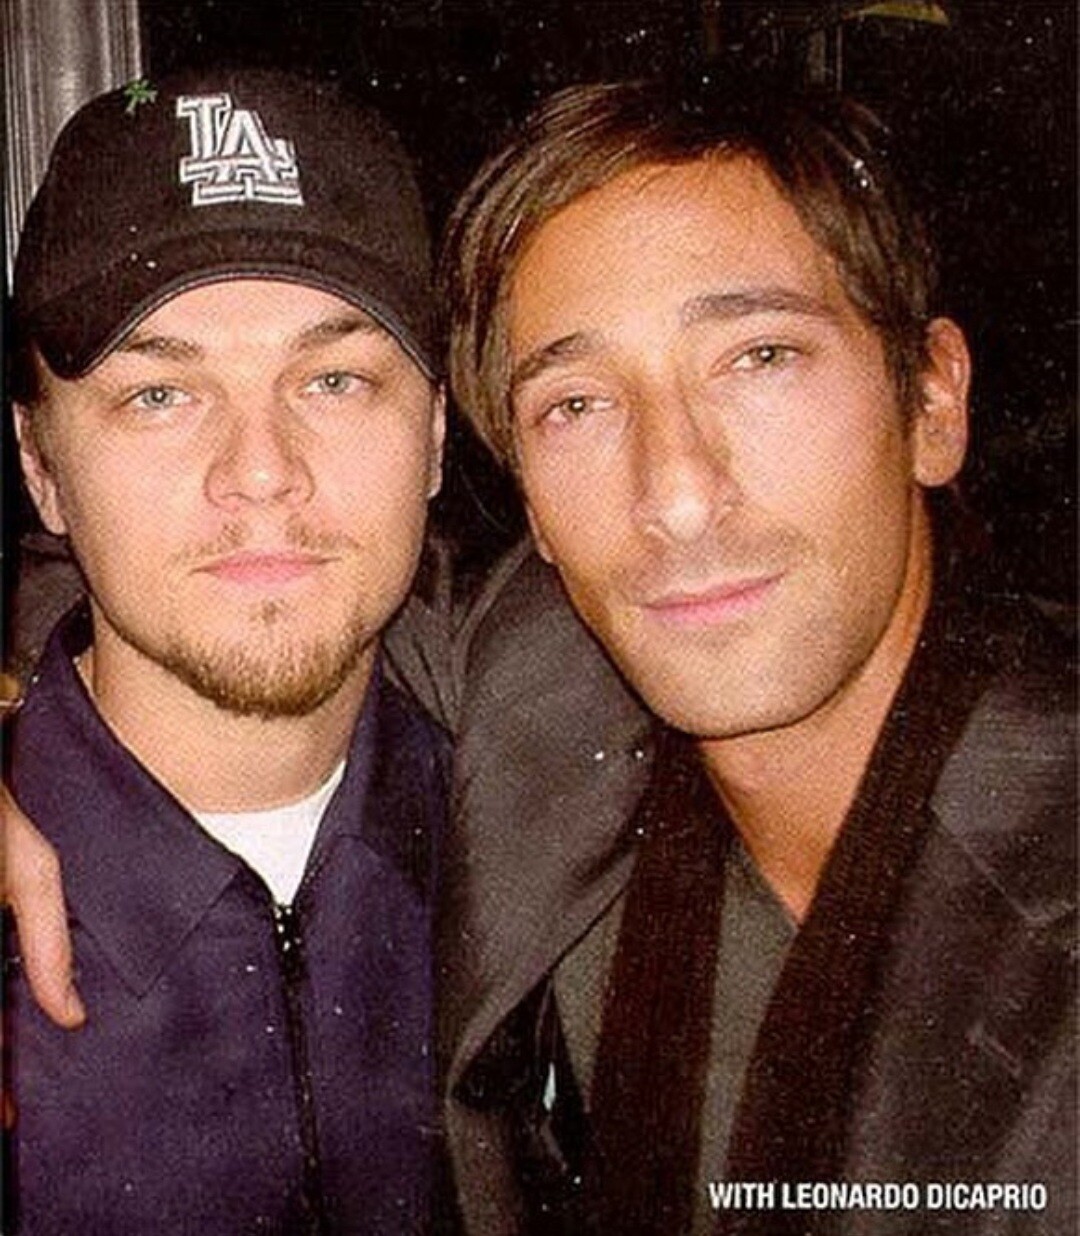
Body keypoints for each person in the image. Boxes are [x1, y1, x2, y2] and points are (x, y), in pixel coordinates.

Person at [435, 79, 1076, 1234]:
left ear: (932, 401)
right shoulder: (538, 685)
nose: (677, 493)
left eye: (761, 356)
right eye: (577, 405)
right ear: (533, 510)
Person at [3, 68, 450, 1233]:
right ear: (41, 465)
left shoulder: (556, 852)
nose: (260, 472)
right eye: (161, 394)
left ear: (438, 437)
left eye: (335, 380)